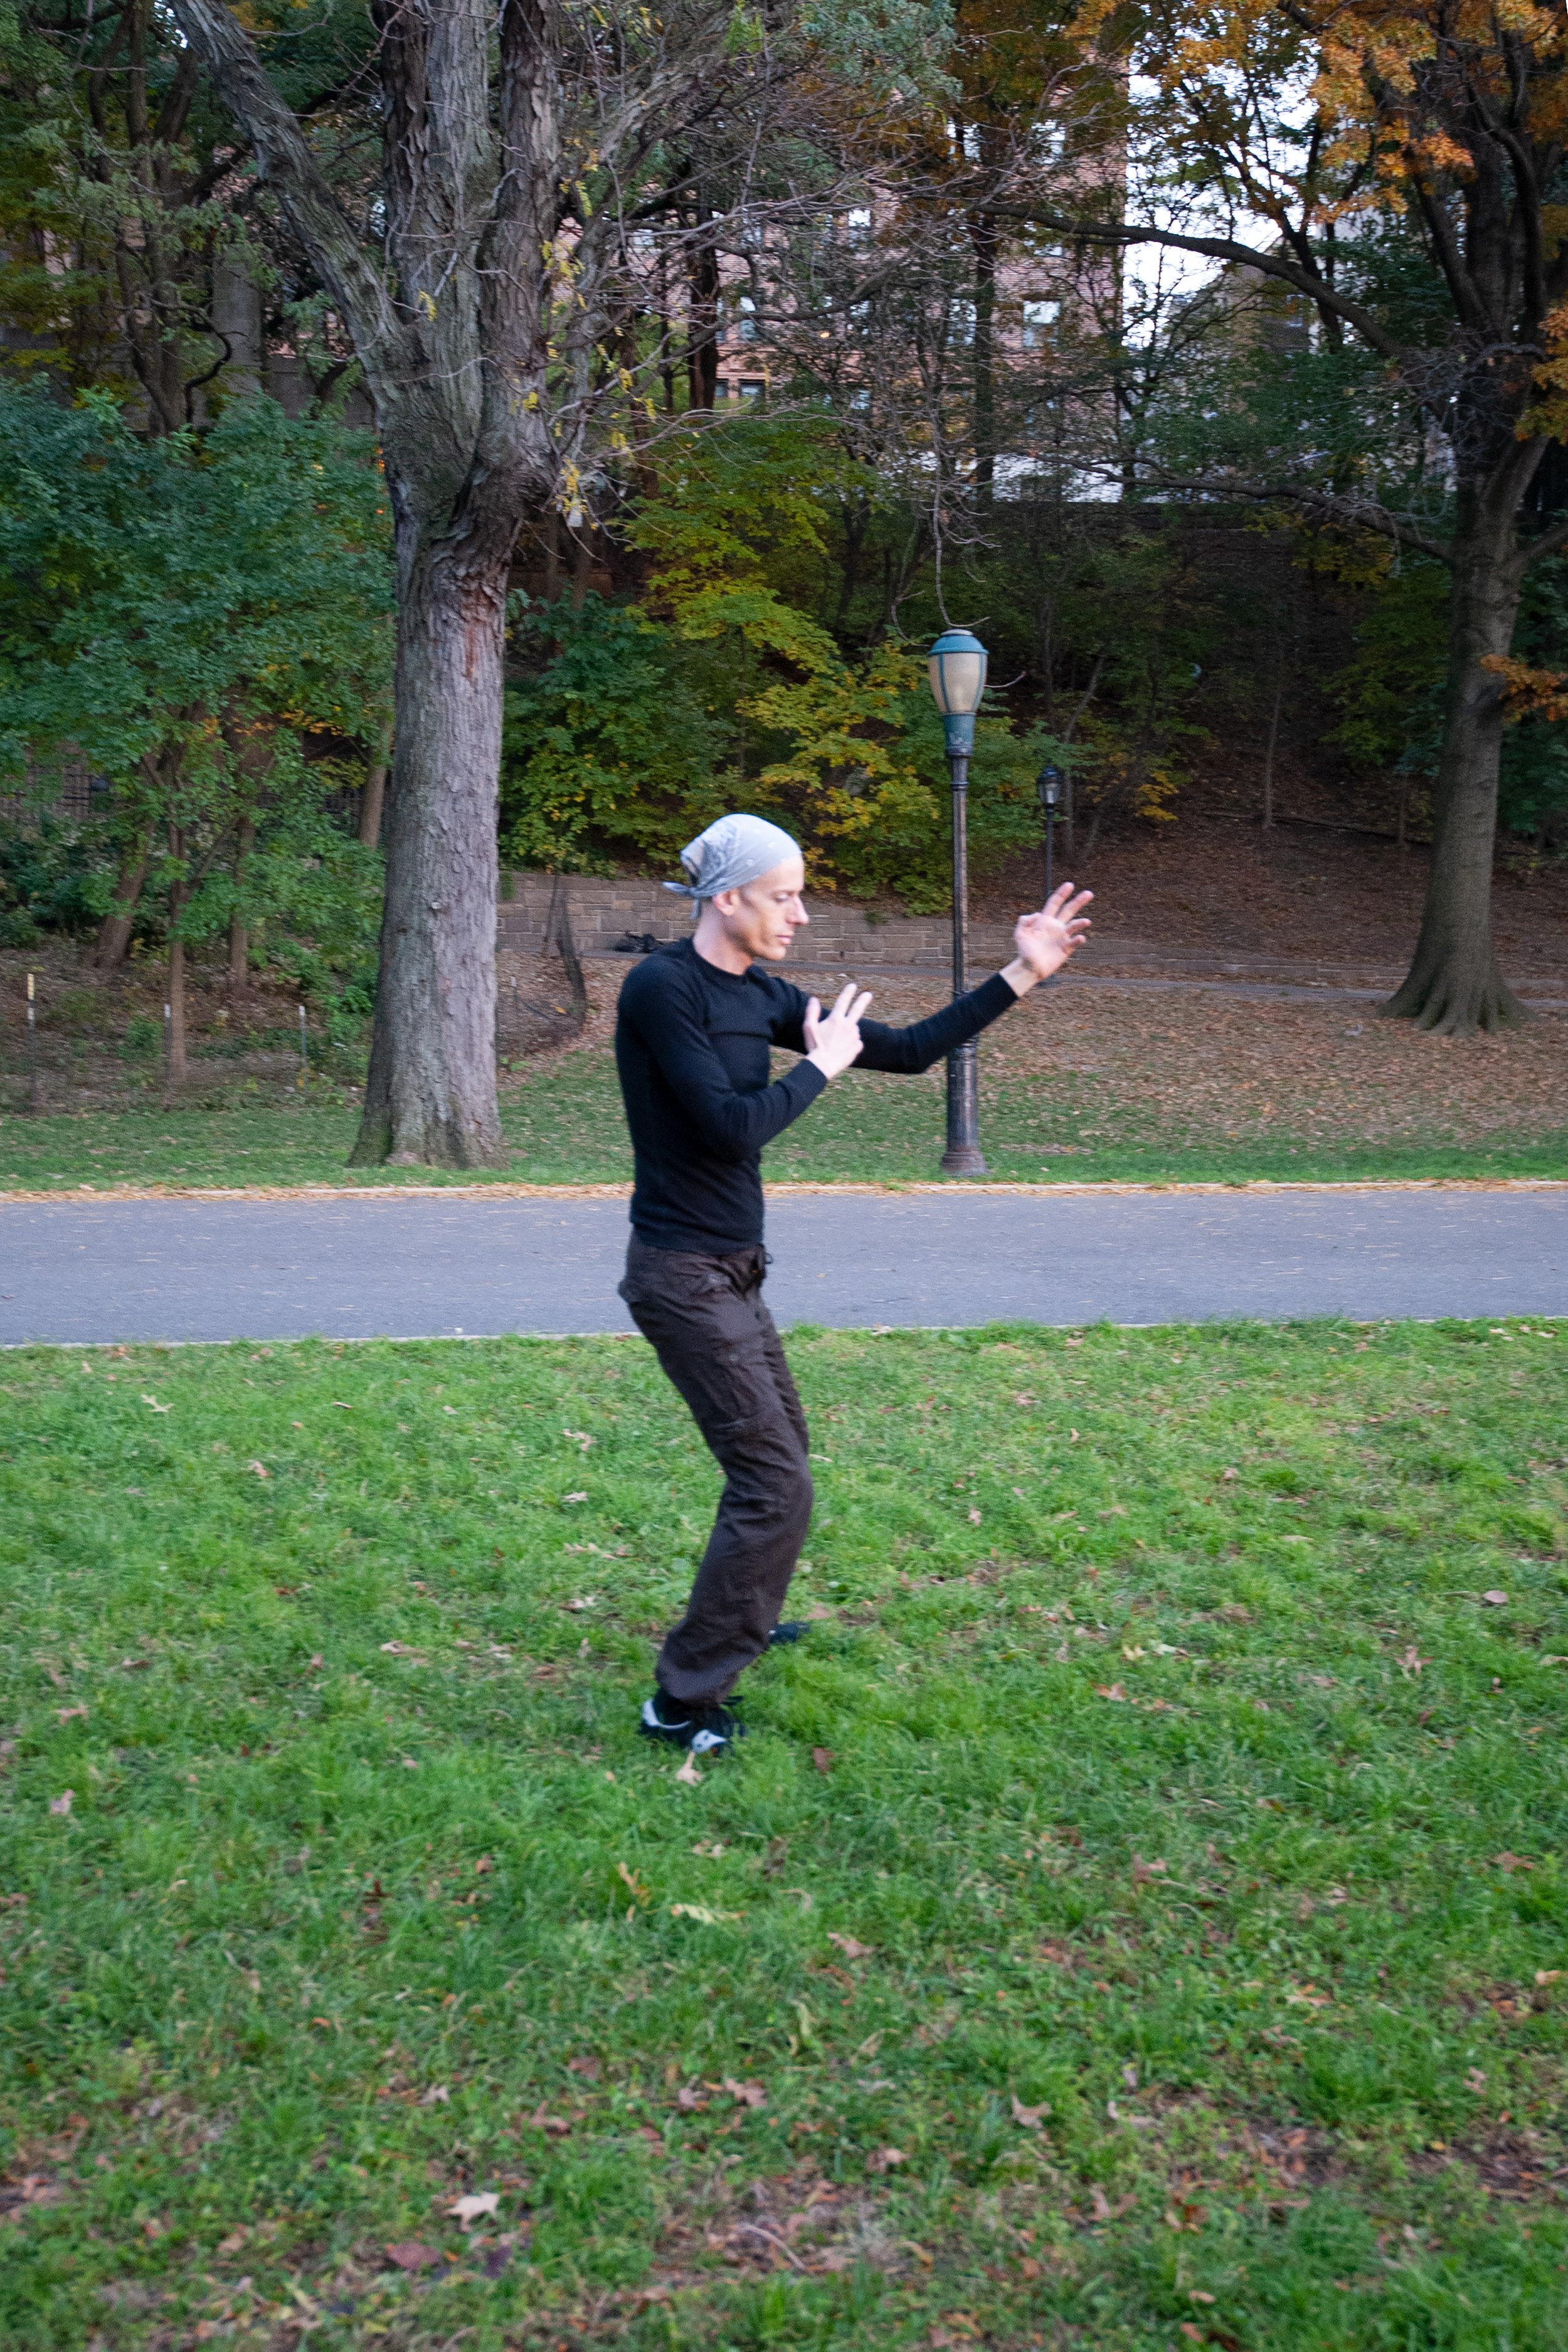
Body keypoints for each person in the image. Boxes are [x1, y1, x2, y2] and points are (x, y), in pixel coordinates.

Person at [615, 812, 1093, 1757]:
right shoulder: (663, 989)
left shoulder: (761, 994)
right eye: (785, 896)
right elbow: (729, 1129)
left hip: (734, 1269)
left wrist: (1024, 971)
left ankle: (741, 1618)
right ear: (729, 898)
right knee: (774, 1482)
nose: (800, 914)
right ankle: (680, 1701)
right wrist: (821, 1067)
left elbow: (909, 1049)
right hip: (681, 1273)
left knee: (780, 1461)